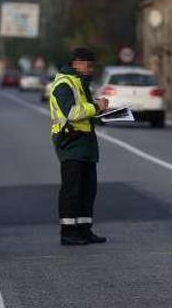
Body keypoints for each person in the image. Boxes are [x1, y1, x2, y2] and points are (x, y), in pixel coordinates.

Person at [49, 47, 108, 246]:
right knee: (71, 189)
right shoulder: (64, 84)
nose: (91, 70)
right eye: (88, 66)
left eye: (93, 67)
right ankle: (68, 232)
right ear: (76, 63)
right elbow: (72, 113)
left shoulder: (80, 82)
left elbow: (86, 112)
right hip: (70, 142)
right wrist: (96, 107)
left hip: (85, 142)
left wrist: (104, 114)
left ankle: (84, 229)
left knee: (87, 189)